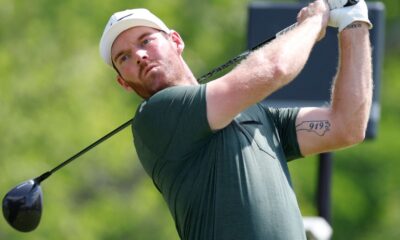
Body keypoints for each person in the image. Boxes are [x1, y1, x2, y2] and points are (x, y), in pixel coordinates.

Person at [99, 0, 372, 239]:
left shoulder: (256, 112)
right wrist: (314, 21)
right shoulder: (156, 115)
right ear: (123, 83)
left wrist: (354, 21)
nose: (139, 55)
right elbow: (274, 69)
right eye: (124, 57)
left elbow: (346, 127)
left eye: (145, 40)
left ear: (176, 41)